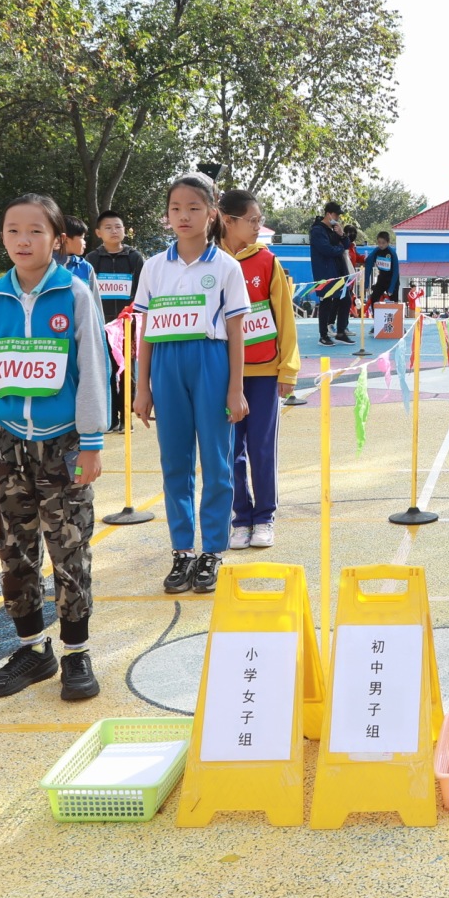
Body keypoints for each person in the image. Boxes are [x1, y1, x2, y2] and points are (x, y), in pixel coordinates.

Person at [0, 193, 109, 702]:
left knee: (69, 548)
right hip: (5, 445)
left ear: (58, 239)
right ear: (2, 236)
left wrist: (91, 441)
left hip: (63, 444)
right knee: (13, 549)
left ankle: (75, 652)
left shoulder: (75, 295)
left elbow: (93, 371)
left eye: (36, 231)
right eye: (12, 230)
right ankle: (32, 649)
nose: (23, 240)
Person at [133, 173, 251, 594]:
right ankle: (182, 551)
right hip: (166, 364)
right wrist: (142, 386)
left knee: (217, 464)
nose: (184, 215)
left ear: (211, 214)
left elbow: (237, 332)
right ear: (166, 216)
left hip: (211, 362)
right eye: (176, 208)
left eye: (194, 208)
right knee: (175, 463)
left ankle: (212, 551)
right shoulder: (152, 267)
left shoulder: (226, 267)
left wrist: (235, 387)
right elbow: (145, 330)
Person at [221, 189, 297, 551]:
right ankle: (241, 517)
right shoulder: (210, 262)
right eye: (251, 220)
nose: (257, 227)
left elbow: (285, 317)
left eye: (258, 220)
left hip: (265, 371)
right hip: (222, 374)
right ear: (227, 221)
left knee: (262, 447)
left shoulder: (267, 262)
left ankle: (265, 516)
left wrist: (288, 370)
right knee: (229, 448)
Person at [83, 209, 146, 429]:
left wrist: (130, 315)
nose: (114, 231)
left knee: (126, 370)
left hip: (127, 325)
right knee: (105, 370)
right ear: (98, 232)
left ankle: (126, 417)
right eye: (108, 227)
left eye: (118, 227)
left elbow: (142, 291)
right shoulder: (90, 260)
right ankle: (110, 418)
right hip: (100, 326)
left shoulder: (135, 258)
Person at [308, 200, 355, 344]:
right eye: (336, 215)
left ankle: (341, 332)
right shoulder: (317, 230)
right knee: (326, 302)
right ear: (328, 214)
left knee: (345, 299)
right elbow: (326, 250)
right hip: (325, 272)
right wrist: (340, 250)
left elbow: (347, 245)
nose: (338, 218)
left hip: (338, 270)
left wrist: (342, 235)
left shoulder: (333, 229)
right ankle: (323, 336)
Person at [363, 228, 400, 314]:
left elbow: (395, 271)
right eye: (379, 242)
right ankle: (376, 321)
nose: (381, 245)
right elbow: (368, 265)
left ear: (388, 242)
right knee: (374, 298)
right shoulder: (376, 251)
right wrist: (366, 283)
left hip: (392, 280)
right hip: (381, 279)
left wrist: (391, 288)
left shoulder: (392, 253)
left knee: (394, 302)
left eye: (383, 243)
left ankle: (395, 323)